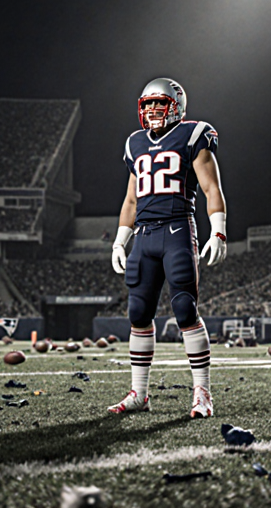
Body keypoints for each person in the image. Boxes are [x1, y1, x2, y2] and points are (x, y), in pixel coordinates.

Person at [108, 77, 226, 418]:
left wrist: (217, 230)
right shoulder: (135, 143)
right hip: (143, 236)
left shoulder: (192, 134)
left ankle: (202, 394)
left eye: (160, 104)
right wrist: (120, 239)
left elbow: (210, 187)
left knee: (186, 309)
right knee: (138, 314)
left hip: (176, 229)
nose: (153, 111)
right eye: (147, 105)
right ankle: (139, 395)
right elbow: (131, 198)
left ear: (177, 105)